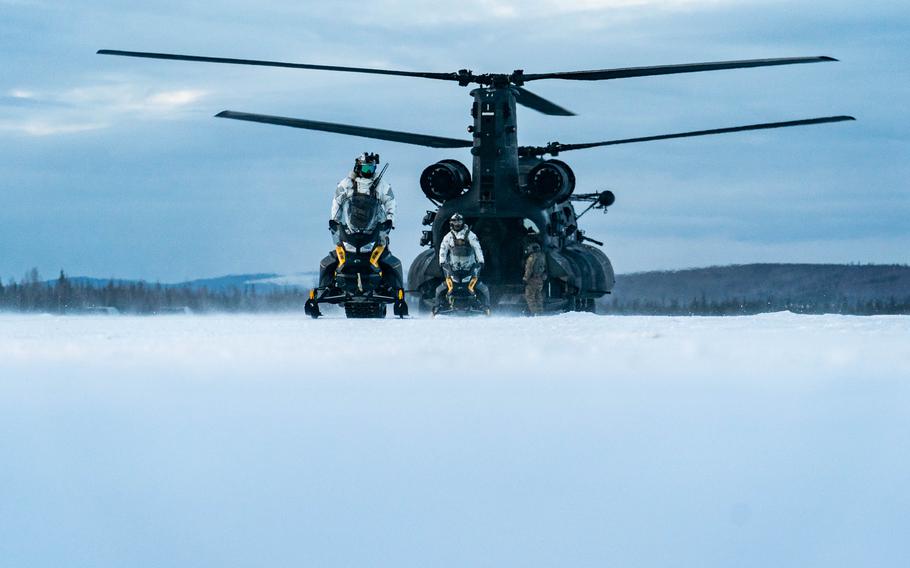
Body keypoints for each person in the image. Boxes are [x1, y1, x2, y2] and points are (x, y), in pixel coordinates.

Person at [329, 152, 396, 241]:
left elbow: (390, 201)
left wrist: (389, 220)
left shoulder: (381, 184)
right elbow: (337, 201)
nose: (368, 171)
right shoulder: (347, 183)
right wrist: (335, 221)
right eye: (366, 168)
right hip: (350, 229)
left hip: (375, 230)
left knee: (382, 248)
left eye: (371, 169)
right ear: (359, 168)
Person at [435, 213, 490, 311]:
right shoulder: (448, 236)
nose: (457, 224)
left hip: (468, 266)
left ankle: (484, 305)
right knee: (443, 287)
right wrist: (442, 262)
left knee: (479, 286)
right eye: (455, 221)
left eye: (459, 221)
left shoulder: (470, 235)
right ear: (451, 223)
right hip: (454, 267)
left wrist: (481, 261)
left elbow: (477, 248)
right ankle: (440, 305)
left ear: (463, 222)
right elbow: (443, 249)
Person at [523, 242, 547, 315]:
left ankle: (535, 313)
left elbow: (529, 269)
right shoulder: (542, 256)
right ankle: (540, 312)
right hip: (540, 279)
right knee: (538, 297)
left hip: (532, 279)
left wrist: (525, 278)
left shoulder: (532, 257)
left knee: (530, 296)